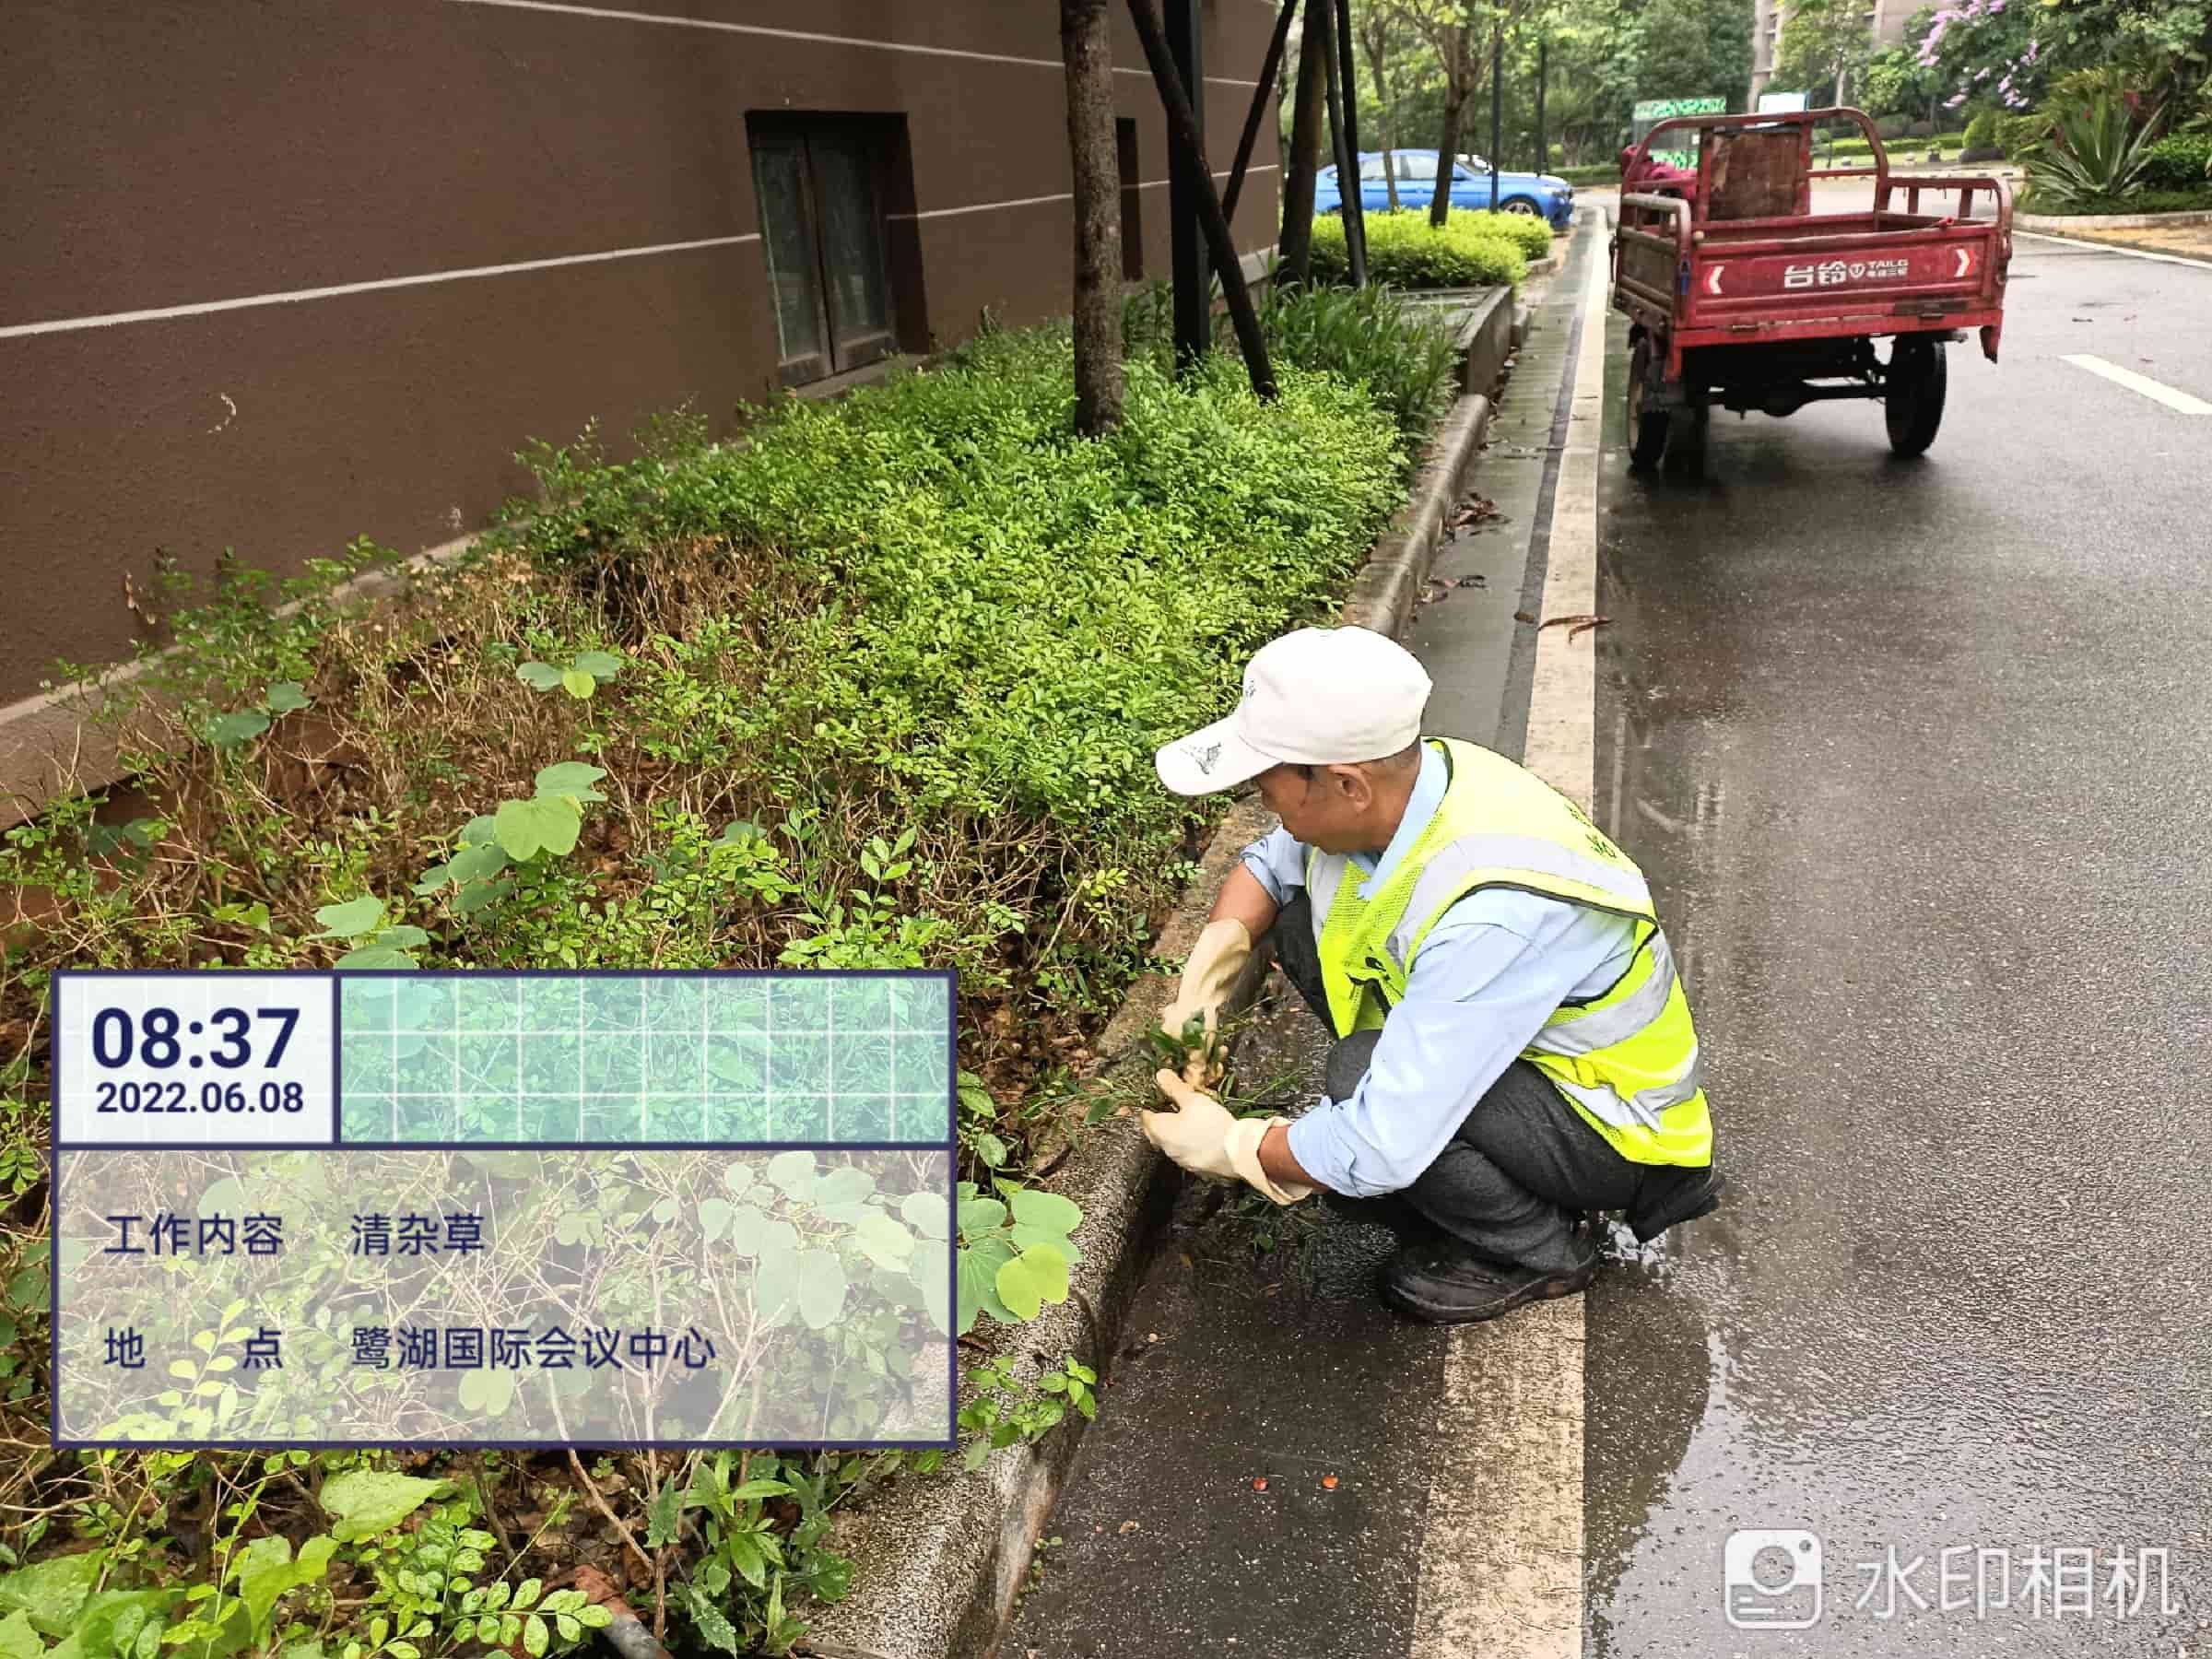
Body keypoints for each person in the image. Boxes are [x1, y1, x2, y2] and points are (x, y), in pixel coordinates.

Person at [1141, 626, 1723, 1324]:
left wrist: (1238, 1147)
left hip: (1616, 1130)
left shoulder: (1493, 911)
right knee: (1294, 917)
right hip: (1520, 1062)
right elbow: (1267, 866)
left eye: (1269, 783)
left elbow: (1383, 1143)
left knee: (1361, 1078)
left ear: (1345, 783)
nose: (1264, 802)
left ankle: (1539, 1248)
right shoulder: (1416, 782)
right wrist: (1208, 974)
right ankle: (1442, 1154)